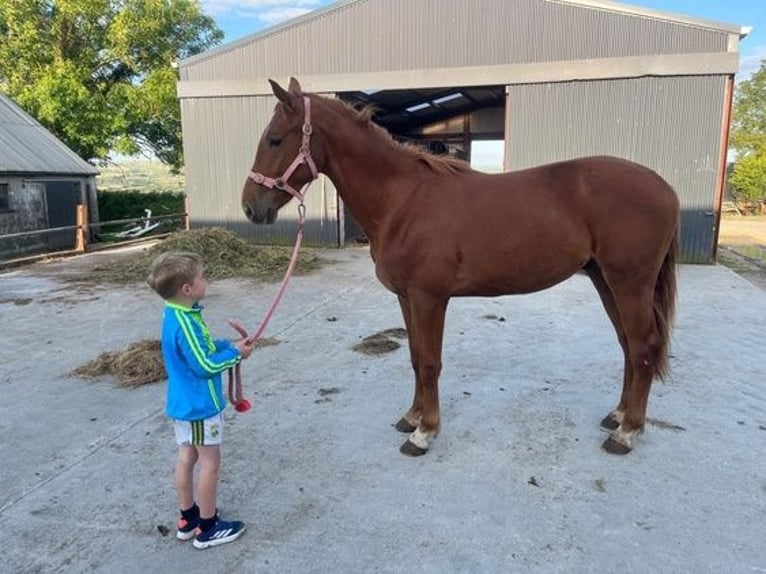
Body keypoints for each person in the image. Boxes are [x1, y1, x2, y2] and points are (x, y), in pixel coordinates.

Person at [146, 251, 255, 549]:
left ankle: (188, 518)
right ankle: (207, 527)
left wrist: (228, 345)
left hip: (183, 405)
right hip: (199, 408)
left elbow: (202, 348)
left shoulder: (177, 312)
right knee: (210, 464)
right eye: (202, 277)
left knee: (187, 457)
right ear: (187, 289)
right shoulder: (186, 323)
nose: (205, 281)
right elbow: (204, 366)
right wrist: (235, 354)